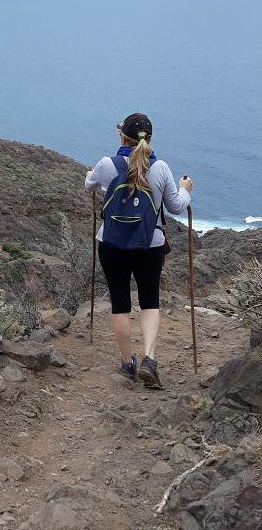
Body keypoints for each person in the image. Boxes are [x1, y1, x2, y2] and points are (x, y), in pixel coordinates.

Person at [85, 112, 193, 389]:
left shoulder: (107, 164)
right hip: (149, 245)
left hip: (111, 243)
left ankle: (126, 364)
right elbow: (176, 207)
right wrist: (185, 189)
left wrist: (90, 175)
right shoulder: (161, 168)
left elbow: (89, 186)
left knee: (120, 303)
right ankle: (150, 360)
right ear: (150, 139)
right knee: (150, 302)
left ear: (122, 137)